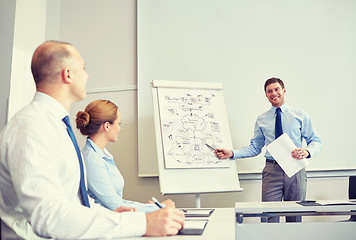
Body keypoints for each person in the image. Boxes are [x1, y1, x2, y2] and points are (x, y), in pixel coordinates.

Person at [0, 40, 184, 240]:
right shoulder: (31, 126)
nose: (87, 76)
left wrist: (110, 216)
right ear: (68, 74)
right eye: (84, 68)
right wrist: (142, 223)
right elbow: (47, 216)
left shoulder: (58, 126)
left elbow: (76, 202)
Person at [216, 77, 321, 223]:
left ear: (284, 90)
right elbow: (255, 147)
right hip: (272, 170)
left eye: (276, 89)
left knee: (295, 217)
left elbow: (315, 141)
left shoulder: (300, 115)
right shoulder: (261, 119)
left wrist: (307, 151)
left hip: (296, 168)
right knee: (268, 217)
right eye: (269, 91)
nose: (273, 93)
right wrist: (233, 153)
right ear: (266, 95)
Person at [76, 99, 175, 213]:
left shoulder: (99, 155)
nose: (119, 128)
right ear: (107, 126)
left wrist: (153, 206)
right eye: (119, 124)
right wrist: (159, 207)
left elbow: (118, 202)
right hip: (107, 223)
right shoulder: (91, 159)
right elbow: (116, 206)